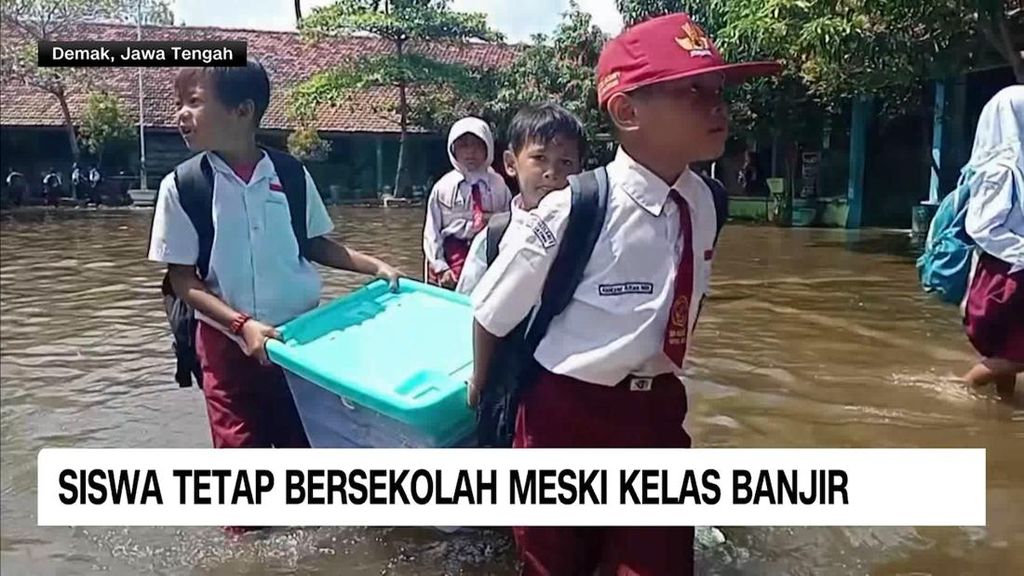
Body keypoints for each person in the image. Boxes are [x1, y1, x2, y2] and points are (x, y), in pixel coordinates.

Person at [468, 13, 779, 575]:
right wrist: (483, 390)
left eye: (718, 91)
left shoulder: (707, 201)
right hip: (566, 414)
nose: (718, 106)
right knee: (554, 562)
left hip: (656, 412)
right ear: (627, 112)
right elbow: (491, 314)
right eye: (693, 91)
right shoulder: (574, 207)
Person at [148, 60, 402, 450]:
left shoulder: (290, 174)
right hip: (226, 347)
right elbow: (183, 280)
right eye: (179, 103)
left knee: (304, 447)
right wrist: (241, 326)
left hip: (298, 342)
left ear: (243, 111)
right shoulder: (183, 187)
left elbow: (315, 244)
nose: (181, 114)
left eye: (195, 102)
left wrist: (375, 265)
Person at [455, 102, 587, 296]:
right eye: (540, 158)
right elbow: (465, 306)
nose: (552, 172)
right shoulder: (495, 237)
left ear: (579, 171)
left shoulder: (587, 234)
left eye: (565, 162)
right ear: (510, 163)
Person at [961, 85, 1023, 400]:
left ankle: (1002, 408)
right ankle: (957, 391)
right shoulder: (1000, 171)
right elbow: (982, 227)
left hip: (1010, 272)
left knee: (1009, 350)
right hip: (1006, 275)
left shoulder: (1017, 166)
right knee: (1015, 355)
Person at [423, 117, 512, 289]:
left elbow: (511, 221)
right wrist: (440, 266)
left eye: (477, 145)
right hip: (453, 254)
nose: (470, 152)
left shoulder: (499, 185)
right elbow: (432, 231)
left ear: (488, 147)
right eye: (463, 145)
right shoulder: (443, 188)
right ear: (453, 149)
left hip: (489, 251)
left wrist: (491, 219)